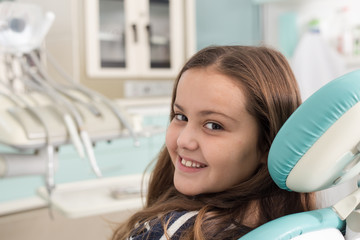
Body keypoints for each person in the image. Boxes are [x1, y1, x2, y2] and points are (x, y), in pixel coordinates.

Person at [112, 45, 315, 240]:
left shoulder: (174, 231)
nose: (183, 141)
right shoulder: (303, 228)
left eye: (213, 126)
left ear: (267, 145)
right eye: (180, 116)